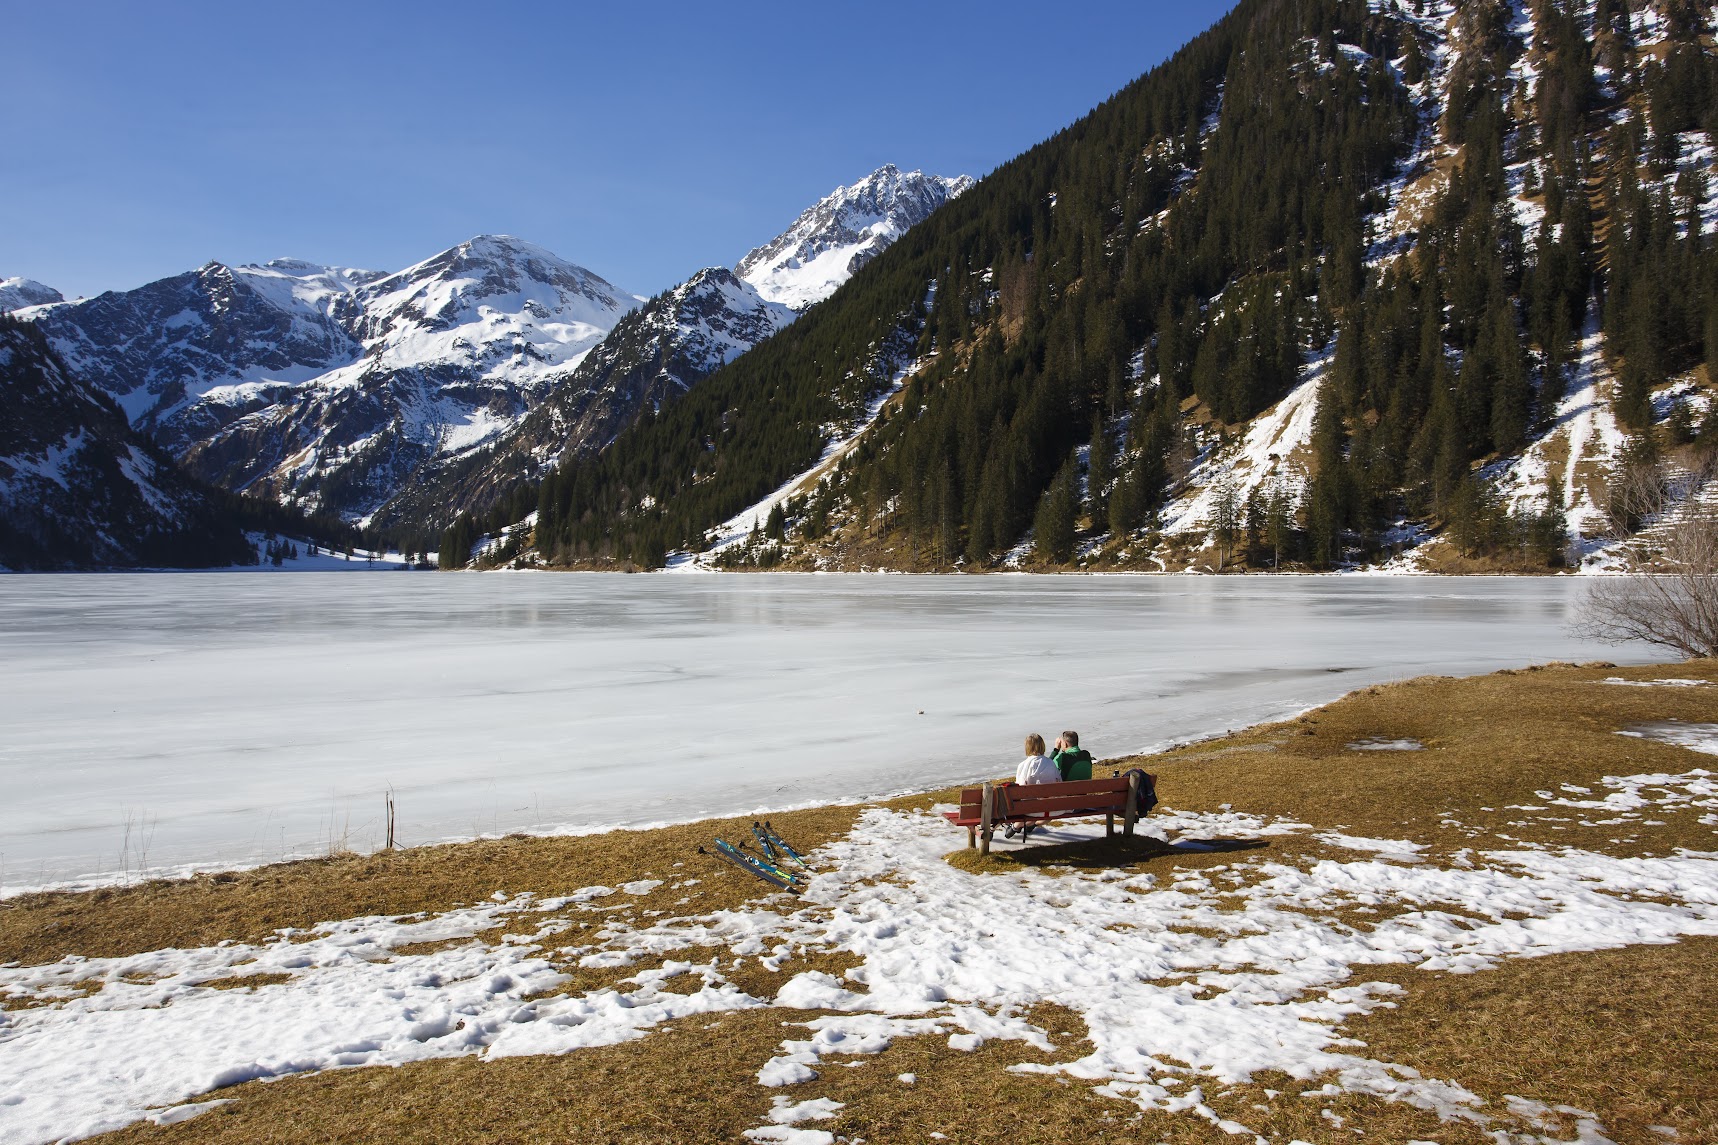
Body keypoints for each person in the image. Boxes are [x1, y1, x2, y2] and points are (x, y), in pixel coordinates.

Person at [1005, 733, 1059, 839]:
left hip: (1031, 809)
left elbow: (1019, 789)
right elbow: (1059, 783)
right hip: (1051, 809)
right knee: (1038, 807)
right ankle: (1027, 825)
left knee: (1029, 806)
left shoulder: (1024, 765)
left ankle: (1016, 826)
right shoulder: (1051, 763)